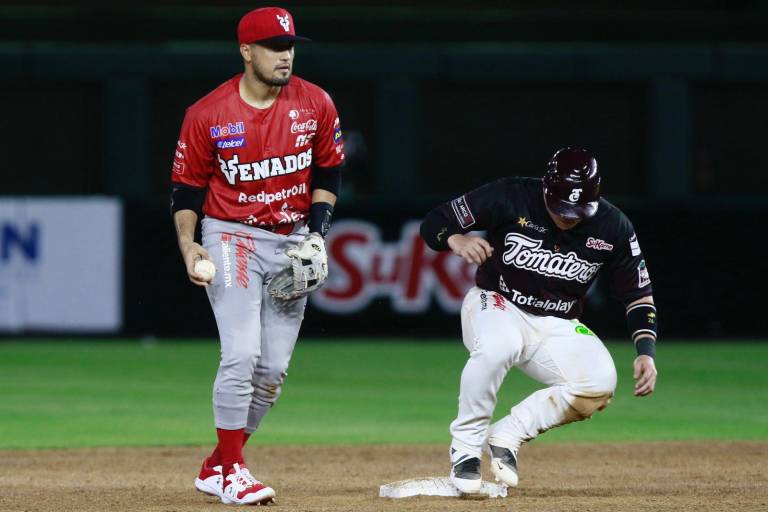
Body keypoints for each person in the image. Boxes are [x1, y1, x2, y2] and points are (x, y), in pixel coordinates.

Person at [169, 6, 344, 505]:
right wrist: (189, 244)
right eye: (273, 46)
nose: (285, 54)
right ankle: (234, 474)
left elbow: (328, 174)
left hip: (292, 241)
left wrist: (318, 234)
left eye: (289, 45)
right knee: (242, 353)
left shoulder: (316, 103)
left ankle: (216, 465)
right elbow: (185, 190)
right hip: (231, 236)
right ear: (246, 51)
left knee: (271, 373)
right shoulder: (208, 114)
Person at [419, 148, 658, 493]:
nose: (569, 217)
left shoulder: (614, 226)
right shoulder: (510, 194)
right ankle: (466, 450)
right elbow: (434, 222)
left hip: (557, 323)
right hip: (497, 302)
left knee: (600, 382)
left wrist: (645, 350)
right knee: (500, 346)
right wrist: (456, 239)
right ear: (547, 188)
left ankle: (507, 435)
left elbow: (639, 295)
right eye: (562, 208)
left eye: (579, 211)